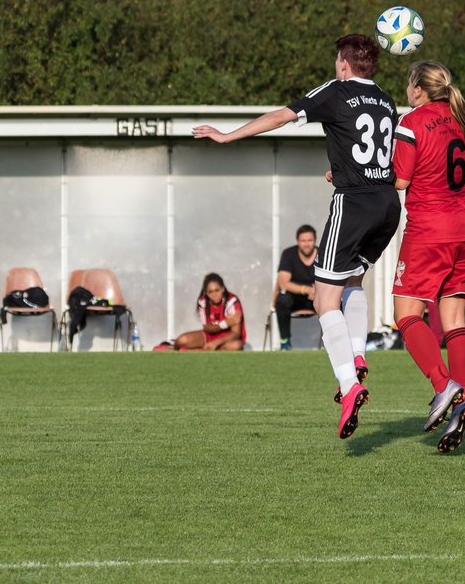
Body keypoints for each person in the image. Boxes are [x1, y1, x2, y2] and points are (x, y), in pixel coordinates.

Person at [193, 35, 400, 439]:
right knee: (353, 281)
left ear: (344, 62)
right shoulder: (386, 100)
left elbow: (281, 116)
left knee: (325, 299)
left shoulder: (336, 90)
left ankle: (349, 384)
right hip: (387, 203)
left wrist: (227, 136)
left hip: (354, 203)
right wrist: (342, 170)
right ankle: (357, 356)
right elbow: (372, 151)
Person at [390, 61, 465, 452]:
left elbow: (400, 181)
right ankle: (462, 401)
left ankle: (444, 386)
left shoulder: (413, 122)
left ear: (418, 88)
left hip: (431, 229)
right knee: (454, 320)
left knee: (406, 314)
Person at [156, 273, 246, 351]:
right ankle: (171, 346)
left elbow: (236, 333)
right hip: (209, 336)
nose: (214, 295)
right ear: (206, 293)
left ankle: (194, 350)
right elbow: (207, 328)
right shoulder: (203, 302)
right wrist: (225, 323)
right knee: (181, 340)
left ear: (222, 288)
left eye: (217, 290)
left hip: (227, 339)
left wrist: (216, 343)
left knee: (236, 345)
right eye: (210, 292)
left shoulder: (232, 301)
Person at [275, 224, 318, 350]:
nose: (306, 244)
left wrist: (318, 292)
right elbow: (283, 283)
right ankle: (285, 341)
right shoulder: (289, 254)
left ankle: (334, 341)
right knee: (282, 299)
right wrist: (307, 290)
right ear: (297, 241)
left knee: (337, 302)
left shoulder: (323, 255)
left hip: (317, 298)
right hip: (295, 299)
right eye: (303, 241)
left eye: (310, 240)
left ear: (315, 240)